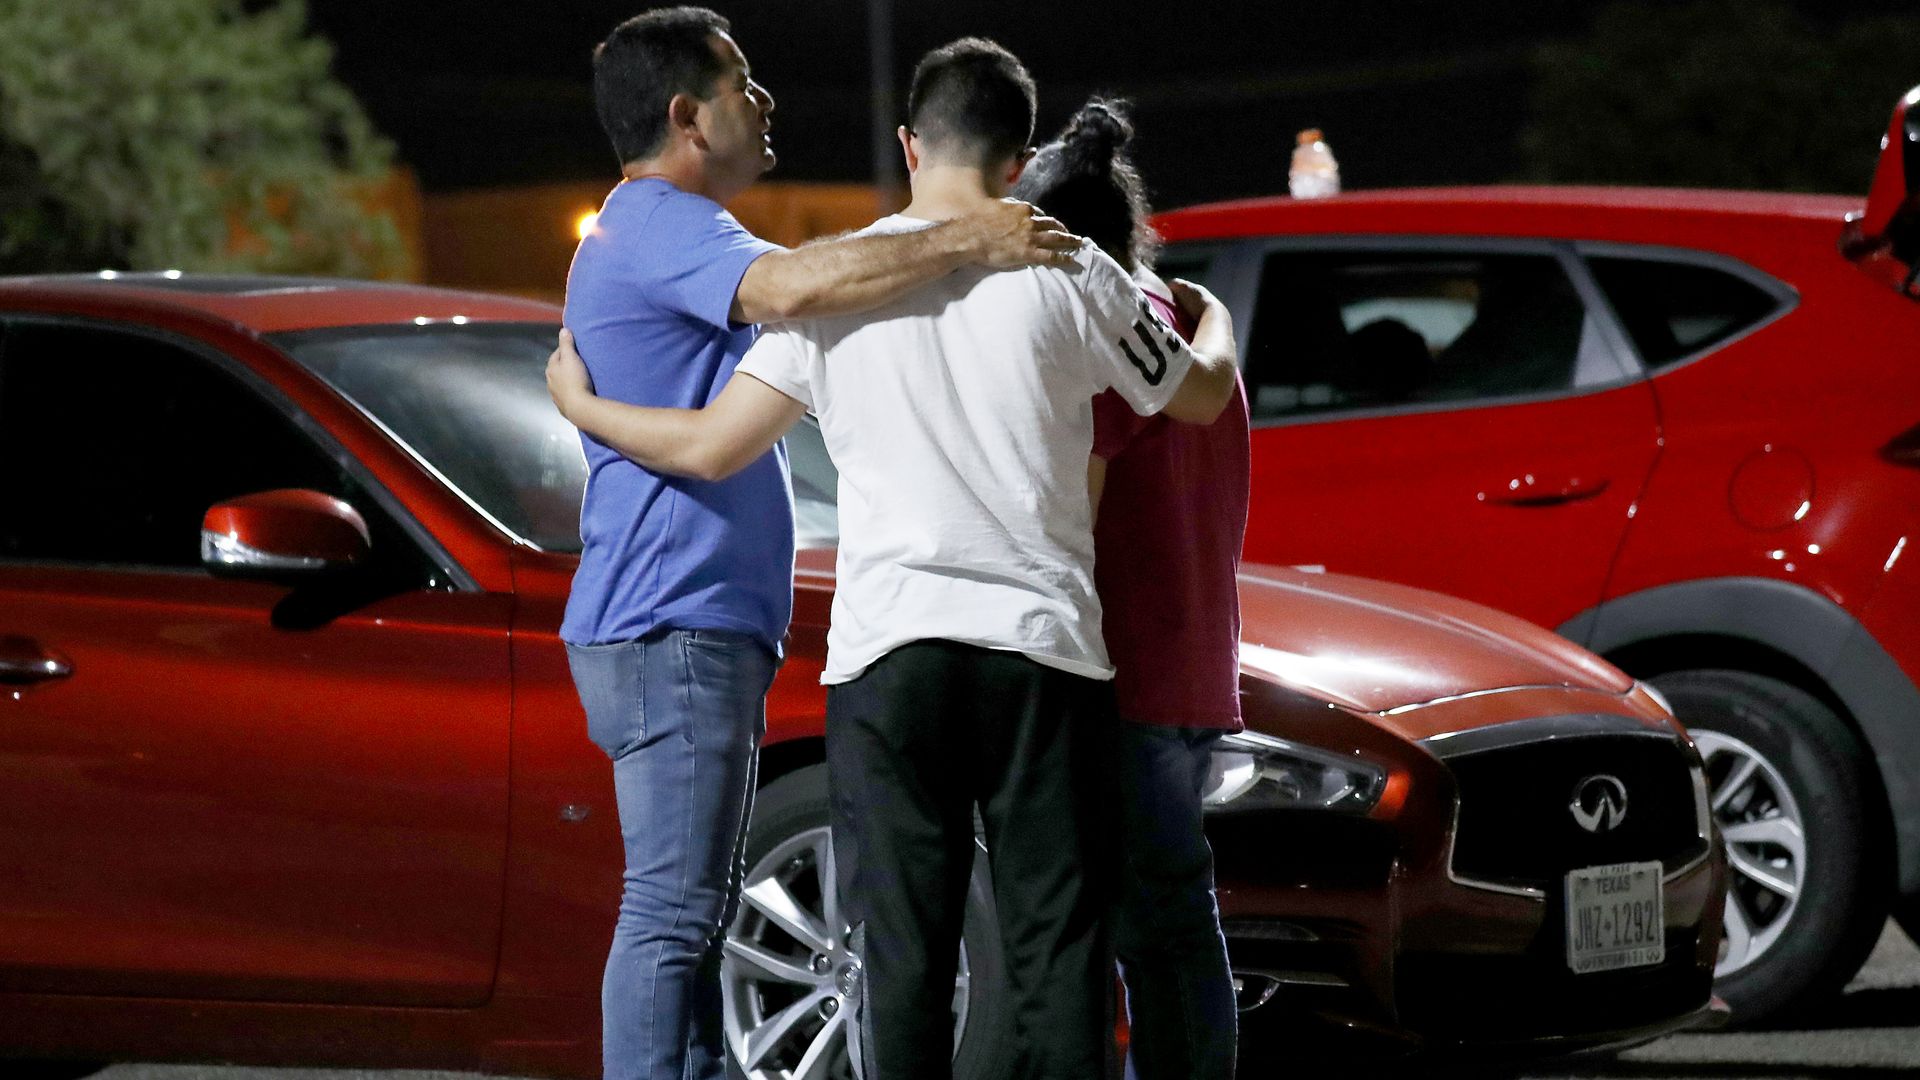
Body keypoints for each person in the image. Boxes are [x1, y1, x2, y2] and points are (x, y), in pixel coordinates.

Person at [548, 38, 1241, 1080]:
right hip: (1042, 656)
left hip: (888, 663)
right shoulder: (1069, 264)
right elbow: (1194, 394)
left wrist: (583, 406)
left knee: (905, 955)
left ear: (911, 146)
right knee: (1059, 949)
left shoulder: (840, 288)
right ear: (1017, 162)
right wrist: (1216, 322)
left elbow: (710, 445)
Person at [1012, 99, 1249, 1080]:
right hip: (1191, 666)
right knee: (1171, 917)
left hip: (1125, 673)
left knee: (1156, 927)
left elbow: (1073, 518)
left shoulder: (1107, 342)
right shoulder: (1182, 321)